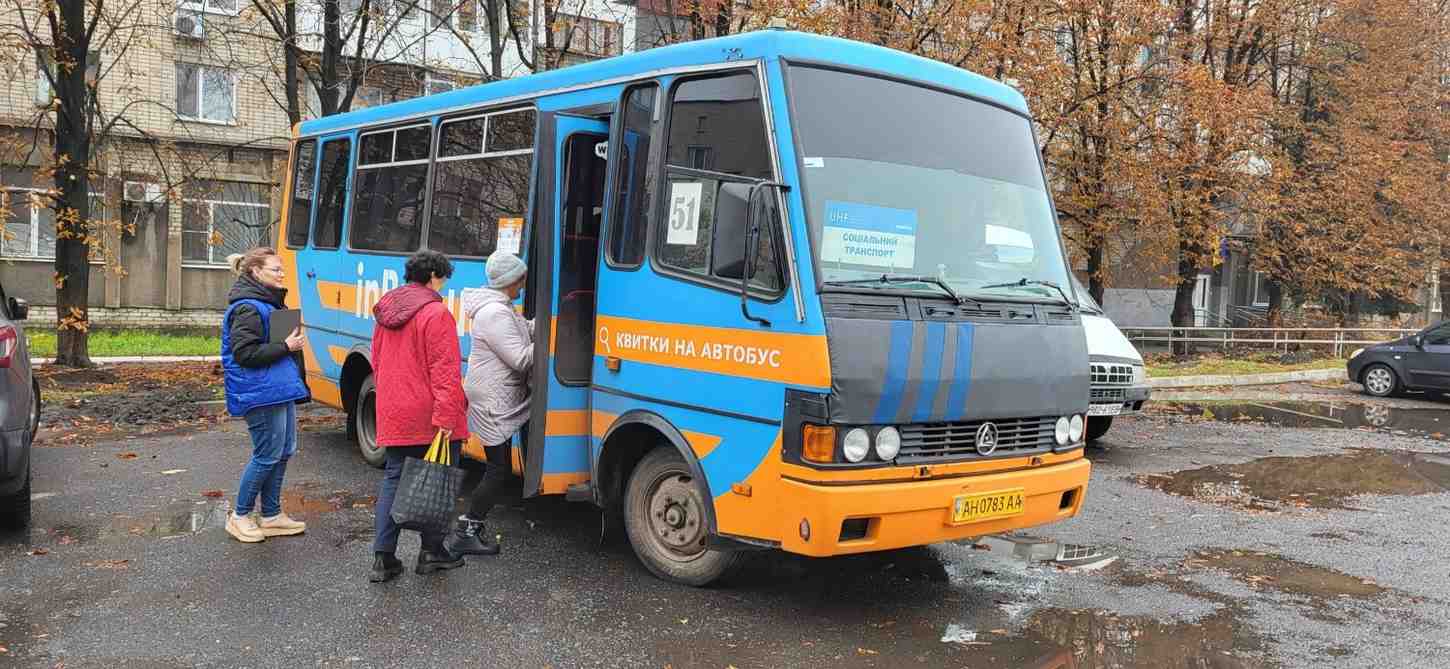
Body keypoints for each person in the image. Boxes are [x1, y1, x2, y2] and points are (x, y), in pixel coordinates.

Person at [368, 250, 471, 582]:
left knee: (394, 480)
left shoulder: (386, 311)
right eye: (443, 278)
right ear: (434, 277)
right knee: (436, 481)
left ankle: (383, 560)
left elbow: (378, 362)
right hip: (429, 414)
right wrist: (446, 417)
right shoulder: (436, 313)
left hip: (394, 409)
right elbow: (444, 371)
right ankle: (431, 553)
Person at [221, 248, 310, 544]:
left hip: (278, 388)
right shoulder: (247, 307)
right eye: (275, 269)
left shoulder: (268, 304)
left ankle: (271, 515)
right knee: (267, 454)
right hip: (259, 392)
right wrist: (286, 345)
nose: (282, 273)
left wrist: (288, 343)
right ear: (256, 272)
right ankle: (240, 516)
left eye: (281, 269)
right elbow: (244, 353)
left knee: (284, 451)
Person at [447, 252, 532, 557]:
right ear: (510, 281)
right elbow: (521, 359)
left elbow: (521, 332)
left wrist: (548, 327)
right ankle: (466, 531)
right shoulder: (495, 312)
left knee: (499, 468)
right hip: (494, 400)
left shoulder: (502, 308)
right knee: (497, 470)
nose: (524, 283)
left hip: (498, 395)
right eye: (520, 277)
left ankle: (470, 528)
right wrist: (551, 344)